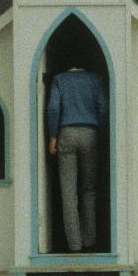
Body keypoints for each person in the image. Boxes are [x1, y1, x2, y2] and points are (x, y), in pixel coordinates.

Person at [45, 65, 108, 252]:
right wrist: (100, 131)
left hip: (66, 133)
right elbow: (103, 107)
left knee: (68, 191)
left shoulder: (59, 80)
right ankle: (90, 241)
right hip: (90, 133)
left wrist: (53, 137)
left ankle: (74, 244)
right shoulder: (95, 79)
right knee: (89, 189)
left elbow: (54, 107)